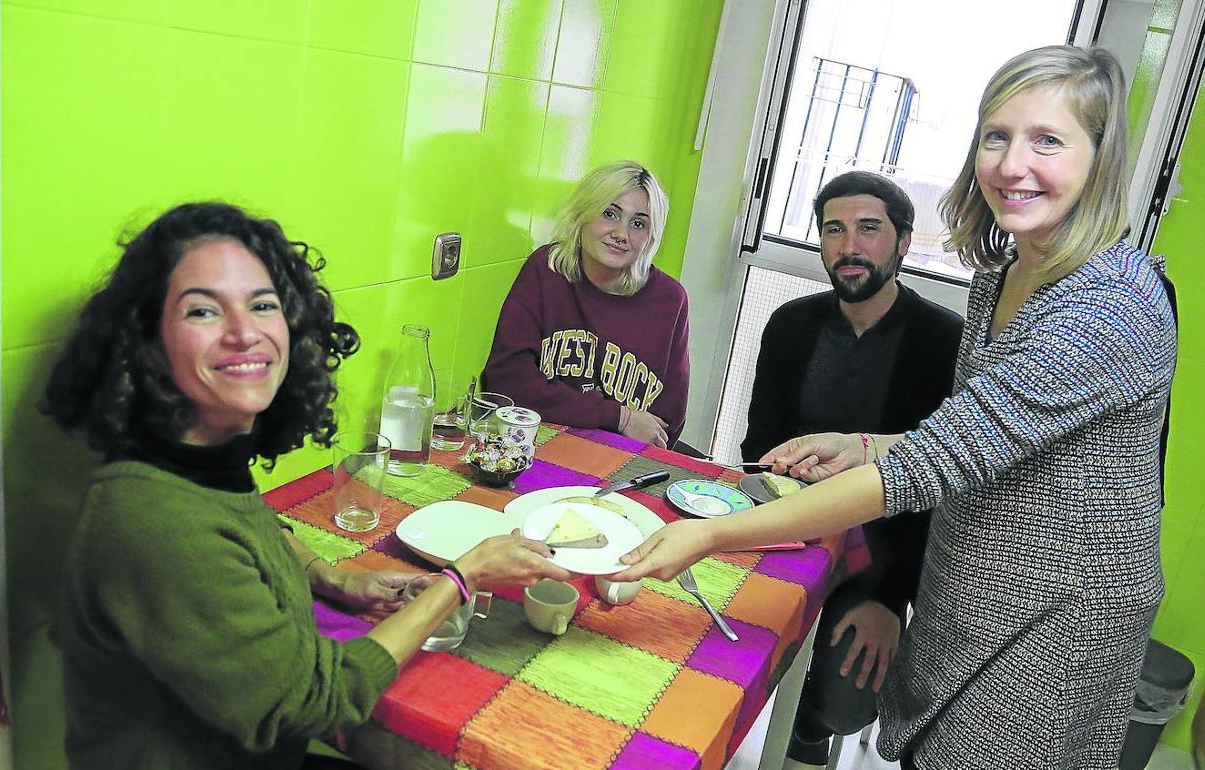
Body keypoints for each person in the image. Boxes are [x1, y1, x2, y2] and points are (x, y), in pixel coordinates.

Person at [615, 46, 1176, 770]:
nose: (1011, 164)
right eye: (996, 136)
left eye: (1048, 140)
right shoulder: (1005, 275)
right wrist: (865, 443)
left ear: (1100, 158)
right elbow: (978, 436)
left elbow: (933, 463)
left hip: (1055, 617)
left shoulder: (1110, 304)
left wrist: (713, 536)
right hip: (970, 586)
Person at [41, 202, 571, 770]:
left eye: (263, 305)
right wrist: (462, 578)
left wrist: (333, 577)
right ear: (146, 344)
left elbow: (247, 524)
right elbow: (319, 703)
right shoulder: (147, 519)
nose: (244, 333)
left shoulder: (193, 461)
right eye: (202, 311)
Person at [741, 171, 962, 767]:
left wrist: (890, 600)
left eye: (869, 229)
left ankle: (806, 734)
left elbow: (944, 490)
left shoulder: (946, 341)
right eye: (834, 230)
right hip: (787, 528)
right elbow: (760, 442)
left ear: (903, 242)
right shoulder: (790, 324)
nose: (849, 247)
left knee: (844, 703)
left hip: (880, 555)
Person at [482, 160, 690, 448]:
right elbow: (506, 381)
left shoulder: (670, 300)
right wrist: (620, 417)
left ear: (650, 237)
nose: (621, 234)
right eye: (609, 214)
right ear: (583, 214)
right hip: (540, 444)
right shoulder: (546, 269)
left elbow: (665, 422)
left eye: (638, 223)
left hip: (620, 457)